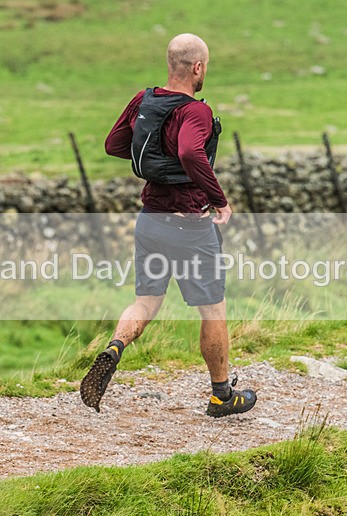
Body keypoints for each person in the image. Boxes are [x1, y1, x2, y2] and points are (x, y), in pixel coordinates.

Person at [80, 33, 257, 418]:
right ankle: (221, 396)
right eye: (204, 66)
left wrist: (157, 155)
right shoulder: (196, 112)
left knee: (145, 302)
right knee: (213, 310)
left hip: (150, 223)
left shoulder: (145, 101)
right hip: (190, 227)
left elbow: (114, 144)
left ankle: (115, 347)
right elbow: (192, 151)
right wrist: (219, 200)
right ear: (198, 67)